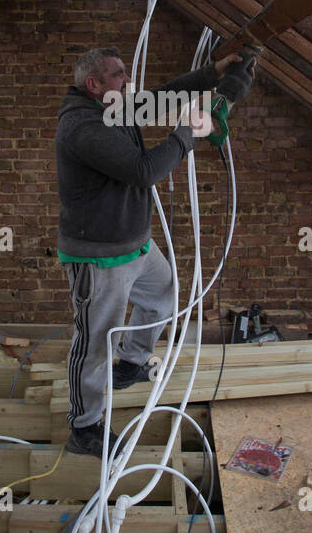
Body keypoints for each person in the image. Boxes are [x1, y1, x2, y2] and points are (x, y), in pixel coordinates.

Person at [55, 46, 249, 457]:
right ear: (94, 85)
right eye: (118, 75)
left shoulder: (115, 107)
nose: (127, 82)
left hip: (136, 244)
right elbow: (145, 170)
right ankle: (84, 426)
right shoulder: (82, 126)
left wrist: (213, 72)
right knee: (93, 342)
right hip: (99, 256)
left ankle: (132, 362)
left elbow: (166, 94)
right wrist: (188, 133)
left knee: (163, 296)